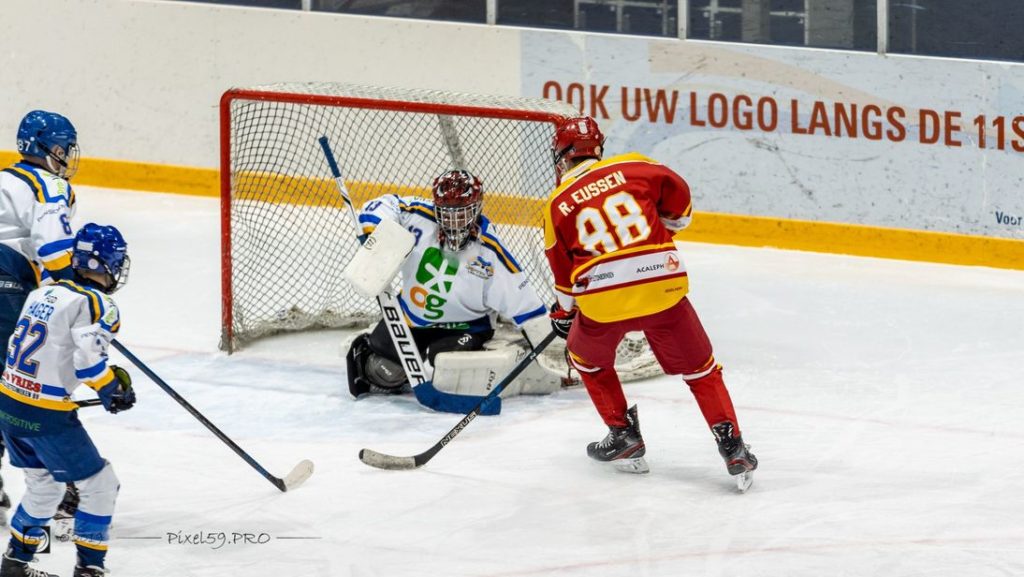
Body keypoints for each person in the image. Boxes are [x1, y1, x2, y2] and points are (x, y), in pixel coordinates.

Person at [542, 116, 758, 485]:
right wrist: (666, 224)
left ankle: (623, 434)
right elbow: (680, 200)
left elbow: (564, 275)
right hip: (661, 285)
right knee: (701, 370)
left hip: (602, 299)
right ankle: (733, 448)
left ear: (562, 157)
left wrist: (563, 312)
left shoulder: (556, 203)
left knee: (586, 359)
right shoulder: (638, 165)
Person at [345, 169, 554, 414]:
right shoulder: (418, 217)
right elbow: (385, 203)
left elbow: (529, 310)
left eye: (462, 213)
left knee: (448, 366)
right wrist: (376, 232)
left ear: (476, 208)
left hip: (467, 327)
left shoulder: (491, 253)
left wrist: (553, 355)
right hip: (411, 319)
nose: (454, 223)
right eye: (447, 214)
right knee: (379, 370)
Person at [0, 223, 134, 577]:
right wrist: (112, 389)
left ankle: (15, 564)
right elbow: (88, 363)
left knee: (44, 485)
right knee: (101, 485)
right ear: (108, 265)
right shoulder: (98, 303)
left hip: (8, 405)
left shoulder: (42, 290)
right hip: (46, 415)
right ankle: (90, 569)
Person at [0, 110, 82, 524]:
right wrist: (77, 295)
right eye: (61, 148)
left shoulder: (2, 177)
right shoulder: (49, 185)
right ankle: (66, 480)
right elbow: (54, 252)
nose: (66, 157)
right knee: (32, 384)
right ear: (42, 146)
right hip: (7, 289)